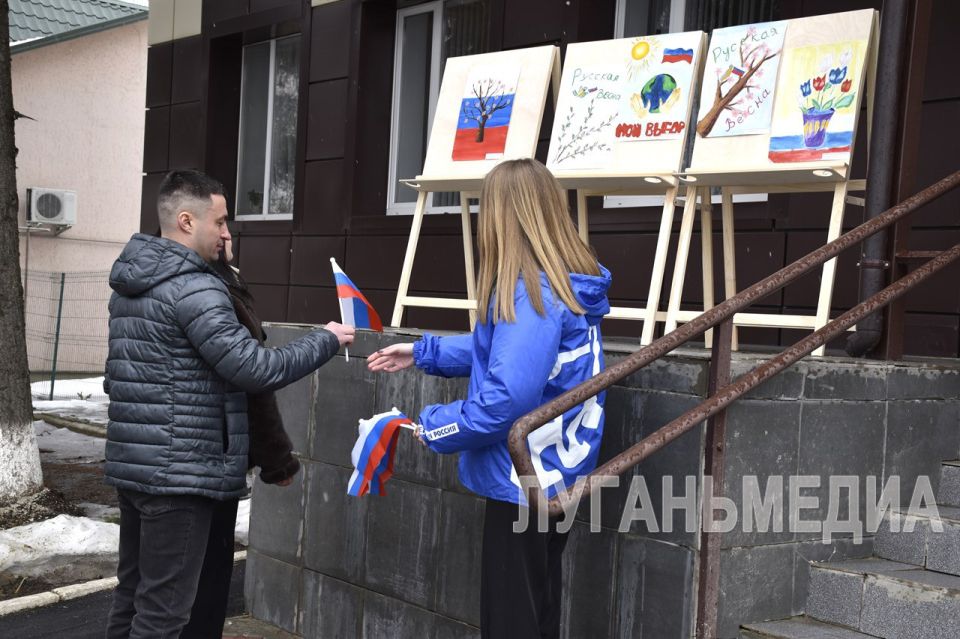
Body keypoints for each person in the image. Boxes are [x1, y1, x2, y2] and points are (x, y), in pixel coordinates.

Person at [103, 169, 354, 638]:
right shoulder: (194, 289)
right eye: (219, 222)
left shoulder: (132, 285)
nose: (225, 233)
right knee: (164, 614)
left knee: (132, 597)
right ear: (186, 221)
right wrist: (325, 339)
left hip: (136, 466)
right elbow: (253, 368)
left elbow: (115, 377)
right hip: (182, 477)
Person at [367, 158, 611, 639]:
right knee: (538, 607)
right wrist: (424, 352)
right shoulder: (567, 283)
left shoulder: (532, 293)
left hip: (521, 477)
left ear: (505, 217)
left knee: (511, 619)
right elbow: (513, 352)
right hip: (558, 470)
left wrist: (435, 425)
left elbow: (505, 398)